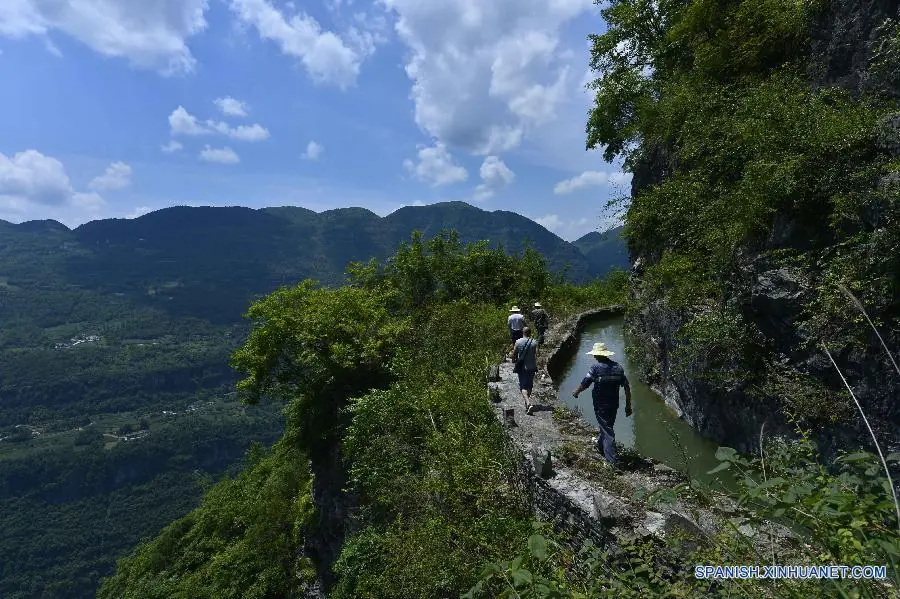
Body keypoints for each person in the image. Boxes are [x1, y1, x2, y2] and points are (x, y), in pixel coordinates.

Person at [572, 342, 632, 465]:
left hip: (601, 404)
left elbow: (585, 382)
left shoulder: (595, 368)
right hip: (614, 404)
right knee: (607, 426)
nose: (594, 357)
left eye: (595, 355)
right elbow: (626, 387)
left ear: (598, 355)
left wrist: (576, 392)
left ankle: (612, 461)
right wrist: (628, 405)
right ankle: (601, 447)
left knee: (608, 430)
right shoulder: (618, 368)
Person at [513, 327, 539, 415]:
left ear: (522, 333)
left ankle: (528, 403)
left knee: (523, 386)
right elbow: (537, 355)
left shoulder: (518, 341)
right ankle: (527, 405)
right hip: (532, 367)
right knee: (530, 386)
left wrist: (514, 360)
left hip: (522, 368)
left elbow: (514, 354)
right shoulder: (534, 342)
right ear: (530, 333)